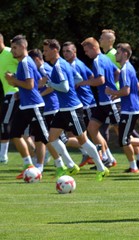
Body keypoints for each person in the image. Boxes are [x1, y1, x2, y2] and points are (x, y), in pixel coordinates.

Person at [42, 39, 109, 181]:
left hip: (72, 109)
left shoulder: (59, 66)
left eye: (46, 51)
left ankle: (101, 168)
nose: (44, 53)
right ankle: (71, 165)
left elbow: (65, 87)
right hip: (64, 109)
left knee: (83, 140)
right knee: (51, 137)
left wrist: (49, 83)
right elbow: (77, 78)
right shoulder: (65, 64)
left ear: (55, 50)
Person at [4, 35, 64, 178]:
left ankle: (62, 165)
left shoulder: (25, 62)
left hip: (34, 105)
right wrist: (18, 86)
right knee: (14, 134)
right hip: (26, 105)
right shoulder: (25, 62)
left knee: (44, 138)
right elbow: (36, 81)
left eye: (14, 48)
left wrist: (13, 81)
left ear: (23, 47)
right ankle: (28, 165)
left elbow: (30, 85)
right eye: (12, 48)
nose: (12, 51)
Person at [105, 43, 139, 173]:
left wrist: (112, 92)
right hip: (131, 107)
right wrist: (118, 94)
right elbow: (137, 86)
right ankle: (136, 164)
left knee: (124, 139)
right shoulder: (129, 67)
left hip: (130, 109)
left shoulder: (124, 70)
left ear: (124, 53)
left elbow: (126, 91)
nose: (116, 55)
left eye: (118, 53)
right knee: (124, 139)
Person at [80, 37, 120, 168]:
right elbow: (117, 73)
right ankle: (107, 157)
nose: (86, 53)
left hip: (109, 102)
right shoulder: (106, 58)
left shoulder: (97, 60)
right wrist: (113, 85)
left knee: (123, 134)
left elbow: (100, 80)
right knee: (92, 128)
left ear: (93, 48)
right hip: (103, 103)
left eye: (87, 51)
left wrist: (83, 83)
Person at [62, 41, 99, 167]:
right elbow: (91, 75)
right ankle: (88, 153)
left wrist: (82, 85)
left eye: (68, 51)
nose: (65, 54)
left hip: (86, 103)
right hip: (78, 103)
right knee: (74, 133)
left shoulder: (75, 65)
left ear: (74, 52)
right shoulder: (76, 64)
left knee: (90, 132)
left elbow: (89, 78)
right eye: (64, 51)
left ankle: (104, 156)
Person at [0, 33, 19, 164]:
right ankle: (39, 155)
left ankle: (3, 156)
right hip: (7, 93)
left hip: (15, 92)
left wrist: (16, 76)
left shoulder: (10, 52)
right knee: (21, 131)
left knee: (4, 123)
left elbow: (26, 64)